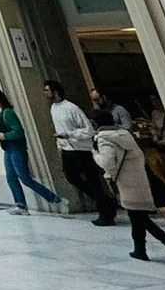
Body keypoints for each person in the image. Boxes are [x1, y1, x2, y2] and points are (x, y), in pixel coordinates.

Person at [94, 125, 165, 267]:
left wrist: (95, 154)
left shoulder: (104, 140)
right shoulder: (127, 137)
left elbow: (107, 163)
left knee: (141, 219)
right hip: (140, 182)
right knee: (136, 218)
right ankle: (140, 250)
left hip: (127, 185)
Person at [0, 88, 63, 214]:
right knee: (11, 178)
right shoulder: (1, 114)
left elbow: (18, 131)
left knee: (25, 178)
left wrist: (5, 136)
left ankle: (55, 200)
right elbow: (0, 132)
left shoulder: (8, 113)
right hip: (8, 149)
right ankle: (21, 205)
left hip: (16, 149)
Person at [45, 80, 117, 225]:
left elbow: (88, 130)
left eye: (47, 90)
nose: (45, 94)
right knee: (71, 176)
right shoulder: (53, 108)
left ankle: (105, 212)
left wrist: (70, 135)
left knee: (93, 181)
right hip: (67, 149)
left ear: (55, 92)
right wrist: (60, 144)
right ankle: (105, 201)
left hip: (81, 150)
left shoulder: (72, 108)